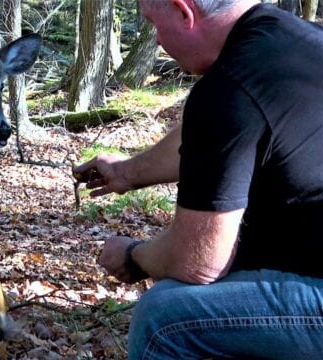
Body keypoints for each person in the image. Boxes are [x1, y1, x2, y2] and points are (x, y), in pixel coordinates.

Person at [73, 0, 323, 358]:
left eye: (153, 23)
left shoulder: (229, 89)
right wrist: (126, 172)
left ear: (184, 12)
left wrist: (133, 256)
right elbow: (219, 133)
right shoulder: (299, 41)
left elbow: (200, 261)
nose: (157, 40)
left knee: (164, 319)